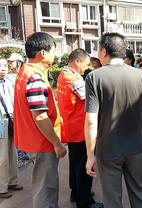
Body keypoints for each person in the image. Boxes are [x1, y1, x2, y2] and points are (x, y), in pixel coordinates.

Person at [84, 32, 142, 208]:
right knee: (141, 193)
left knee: (112, 199)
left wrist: (90, 155)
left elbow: (90, 121)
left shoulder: (94, 77)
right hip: (136, 147)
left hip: (108, 150)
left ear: (103, 51)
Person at [14, 32, 67, 208]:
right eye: (53, 50)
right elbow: (40, 115)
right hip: (42, 142)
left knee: (42, 185)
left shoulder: (24, 71)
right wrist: (57, 143)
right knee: (46, 189)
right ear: (43, 53)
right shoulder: (35, 77)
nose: (55, 55)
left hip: (32, 139)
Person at [56, 49, 103, 208]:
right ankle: (85, 202)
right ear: (77, 61)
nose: (86, 68)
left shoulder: (63, 75)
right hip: (81, 130)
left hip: (71, 128)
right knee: (85, 165)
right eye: (85, 64)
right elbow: (92, 100)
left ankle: (75, 193)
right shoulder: (73, 79)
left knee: (75, 163)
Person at [0, 59, 22, 199]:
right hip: (1, 120)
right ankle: (2, 188)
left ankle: (12, 181)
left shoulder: (8, 82)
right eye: (0, 66)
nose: (3, 68)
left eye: (5, 66)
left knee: (12, 151)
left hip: (11, 119)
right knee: (2, 155)